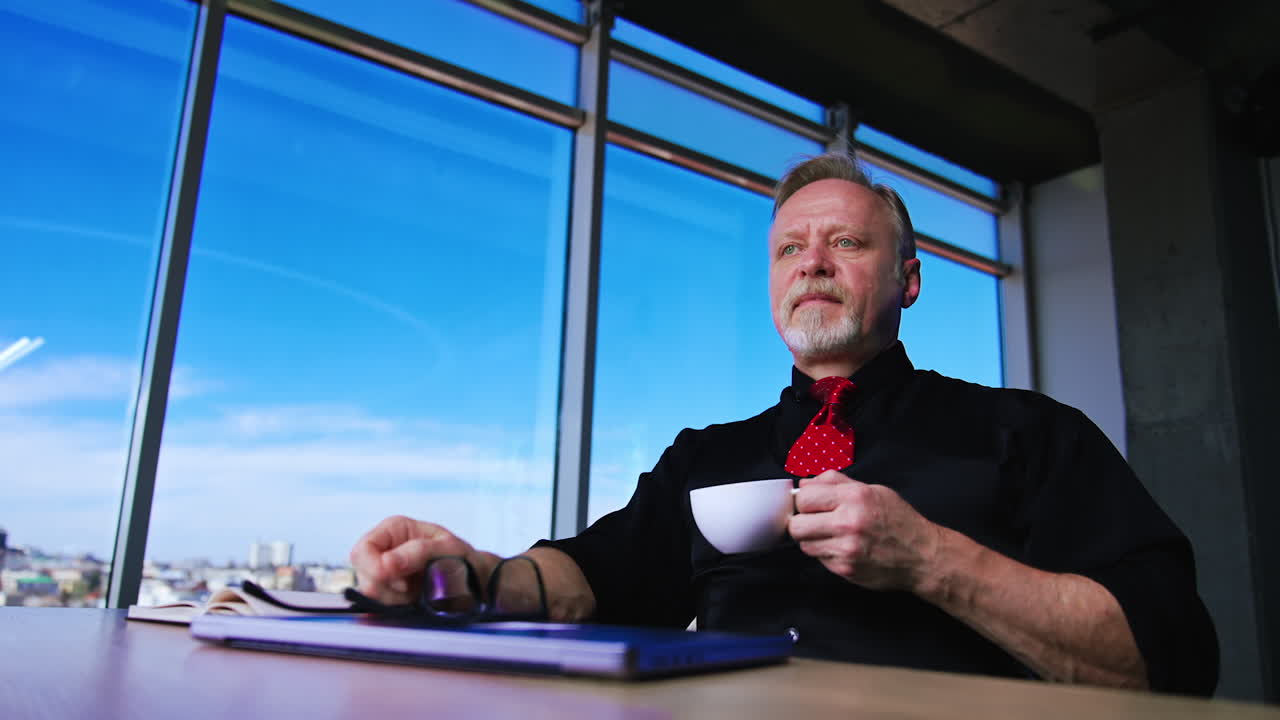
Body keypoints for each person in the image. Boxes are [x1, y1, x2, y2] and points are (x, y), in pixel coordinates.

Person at [350, 152, 1218, 695]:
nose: (812, 263)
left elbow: (1168, 655)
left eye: (846, 243)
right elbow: (596, 577)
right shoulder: (705, 457)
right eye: (789, 249)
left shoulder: (1027, 434)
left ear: (909, 280)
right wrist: (472, 573)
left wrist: (936, 562)